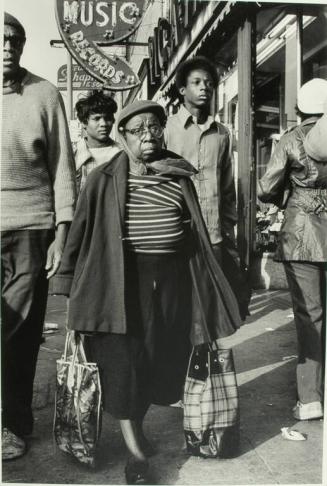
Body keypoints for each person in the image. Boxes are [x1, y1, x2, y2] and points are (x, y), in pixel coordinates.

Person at [51, 100, 241, 484]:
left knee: (160, 358)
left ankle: (136, 427)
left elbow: (197, 234)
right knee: (124, 362)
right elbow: (80, 235)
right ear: (122, 137)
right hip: (120, 282)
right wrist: (68, 283)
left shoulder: (179, 176)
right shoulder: (101, 179)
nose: (148, 136)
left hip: (171, 280)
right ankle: (135, 453)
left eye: (154, 127)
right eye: (137, 130)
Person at [1, 12, 76, 460]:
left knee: (20, 332)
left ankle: (12, 424)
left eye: (14, 38)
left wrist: (60, 234)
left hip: (31, 228)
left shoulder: (45, 95)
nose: (7, 46)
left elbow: (63, 170)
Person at [258, 78, 327, 421]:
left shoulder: (290, 140)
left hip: (301, 235)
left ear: (299, 110)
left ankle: (311, 398)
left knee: (309, 316)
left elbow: (268, 187)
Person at [165, 56, 249, 322]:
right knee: (177, 301)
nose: (205, 88)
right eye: (197, 82)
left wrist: (228, 227)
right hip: (176, 230)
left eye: (209, 83)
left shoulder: (222, 134)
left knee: (210, 304)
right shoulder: (166, 130)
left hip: (213, 233)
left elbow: (226, 186)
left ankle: (205, 359)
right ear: (182, 90)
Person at [74, 90, 121, 192]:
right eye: (97, 118)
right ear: (84, 122)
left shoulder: (122, 153)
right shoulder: (73, 154)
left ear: (113, 120)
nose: (103, 124)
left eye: (107, 118)